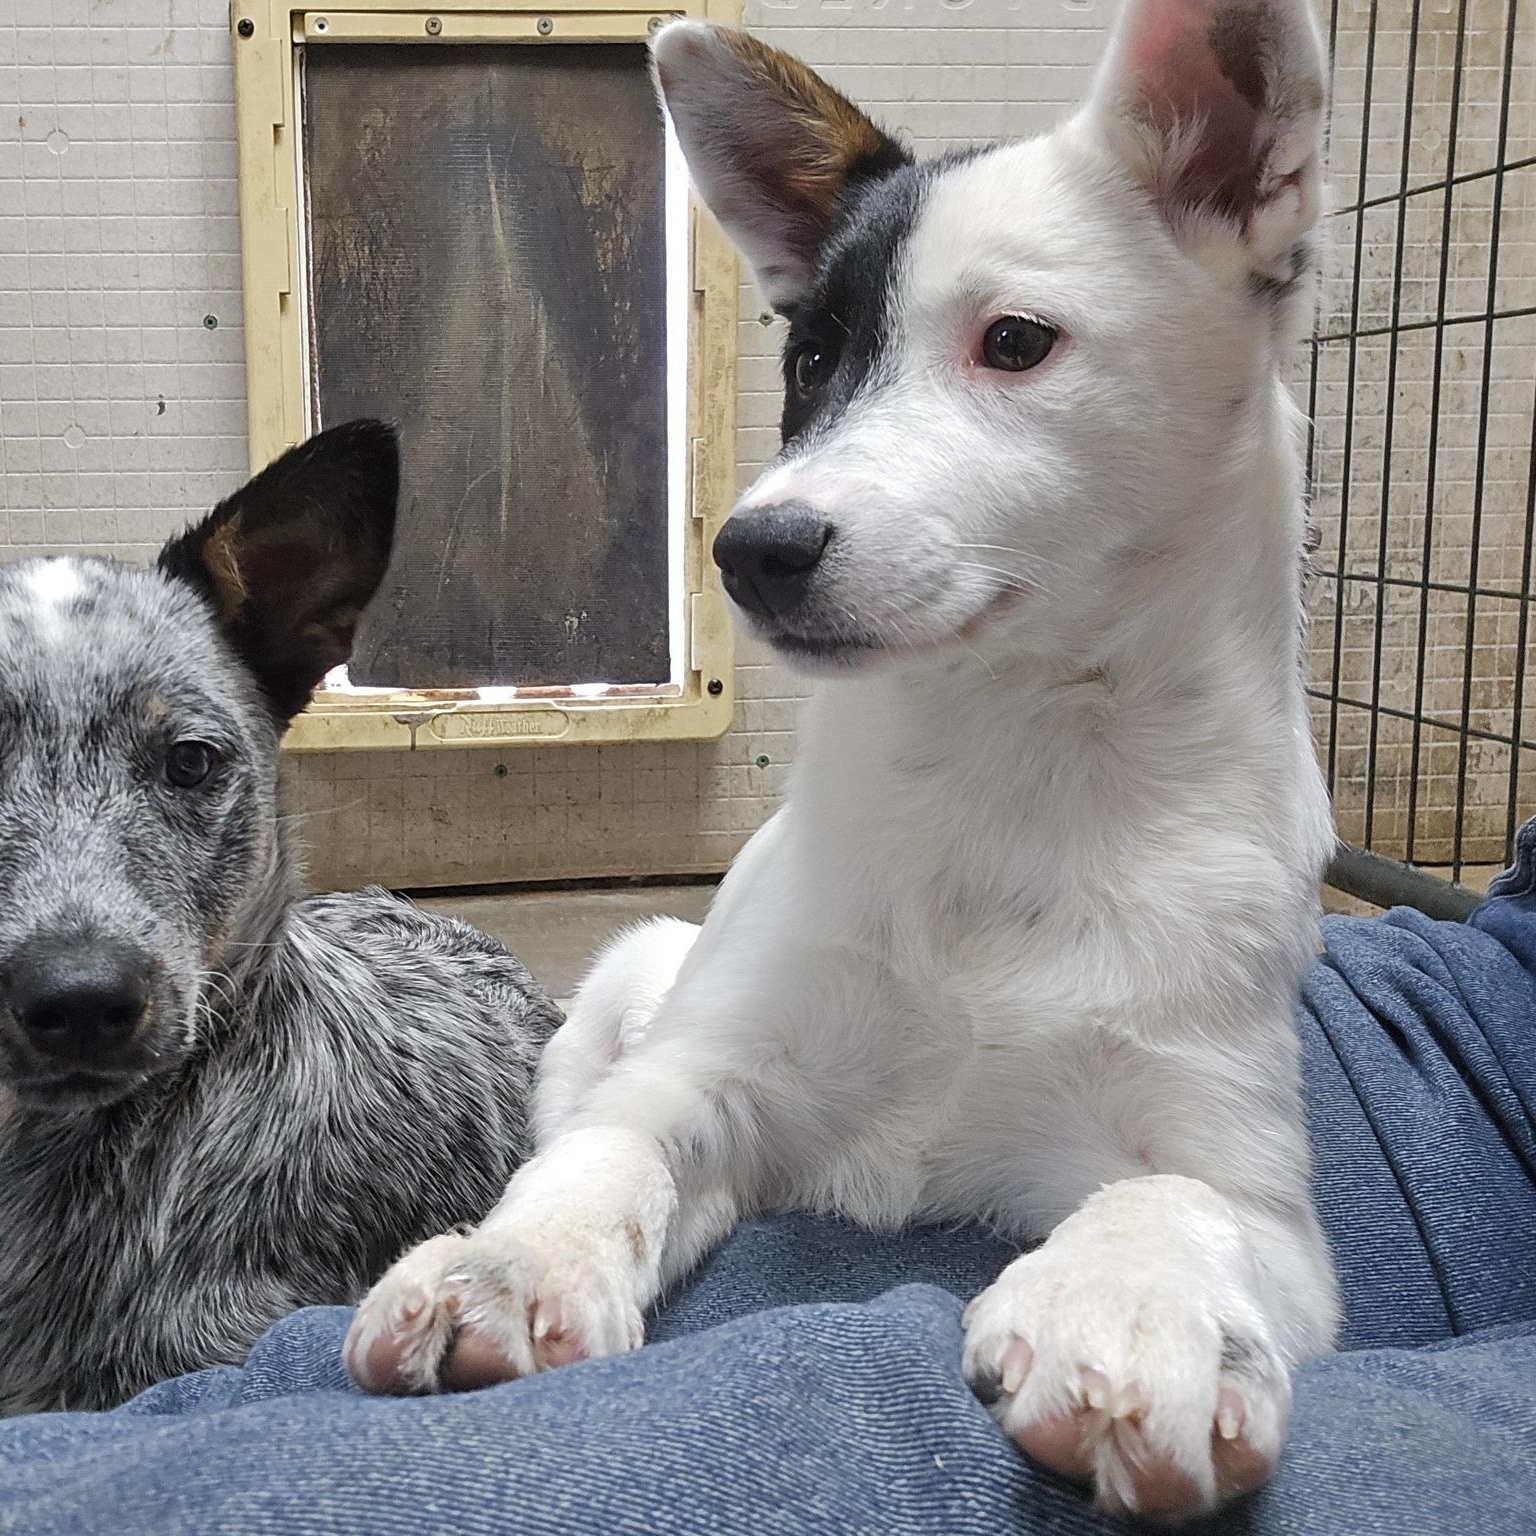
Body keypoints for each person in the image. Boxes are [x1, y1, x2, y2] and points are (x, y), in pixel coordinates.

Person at [4, 825, 1534, 1535]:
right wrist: (580, 1194)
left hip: (1359, 1112)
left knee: (896, 1416)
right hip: (1467, 989)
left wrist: (1166, 1221)